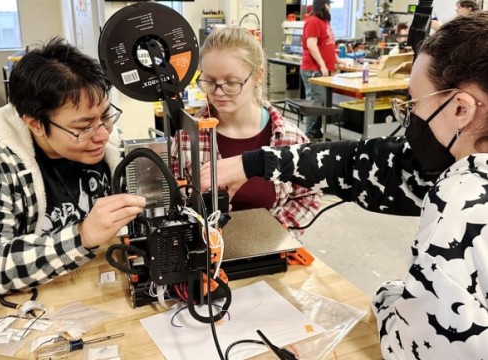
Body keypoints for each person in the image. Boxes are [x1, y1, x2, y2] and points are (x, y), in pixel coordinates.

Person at [201, 12, 488, 358]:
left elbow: (413, 346)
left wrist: (388, 297)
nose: (409, 119)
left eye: (414, 104)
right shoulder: (452, 171)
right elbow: (366, 165)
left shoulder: (462, 198)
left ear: (461, 109)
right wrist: (255, 163)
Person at [0, 37, 146, 295]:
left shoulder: (106, 138)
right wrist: (82, 236)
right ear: (35, 123)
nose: (102, 135)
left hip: (101, 285)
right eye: (83, 127)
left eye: (106, 116)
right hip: (39, 300)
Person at [170, 26, 320, 238]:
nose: (219, 93)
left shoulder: (289, 139)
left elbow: (309, 196)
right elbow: (175, 201)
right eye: (210, 82)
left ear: (258, 76)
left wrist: (274, 235)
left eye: (231, 82)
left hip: (270, 255)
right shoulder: (187, 139)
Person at [300, 0, 339, 142]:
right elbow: (311, 45)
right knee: (315, 103)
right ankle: (309, 136)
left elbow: (328, 44)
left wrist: (338, 60)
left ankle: (316, 132)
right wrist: (322, 65)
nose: (330, 8)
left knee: (320, 102)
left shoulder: (324, 22)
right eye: (329, 5)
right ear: (323, 6)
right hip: (313, 69)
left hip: (323, 69)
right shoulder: (313, 22)